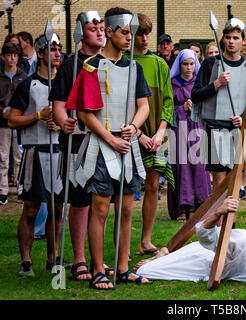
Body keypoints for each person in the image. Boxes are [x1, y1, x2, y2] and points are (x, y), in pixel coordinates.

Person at [66, 7, 152, 289]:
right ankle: (98, 269)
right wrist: (110, 138)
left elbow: (144, 106)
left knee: (127, 209)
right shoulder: (91, 66)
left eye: (132, 33)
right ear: (111, 31)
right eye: (125, 32)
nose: (130, 38)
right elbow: (85, 113)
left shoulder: (135, 67)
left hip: (127, 143)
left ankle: (124, 267)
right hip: (102, 144)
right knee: (100, 209)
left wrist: (135, 127)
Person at [50, 11, 110, 281]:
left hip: (106, 138)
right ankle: (79, 259)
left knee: (101, 200)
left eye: (101, 27)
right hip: (77, 140)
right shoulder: (71, 65)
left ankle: (98, 257)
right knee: (80, 199)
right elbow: (59, 105)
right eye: (92, 27)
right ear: (81, 33)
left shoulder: (110, 62)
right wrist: (64, 123)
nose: (99, 31)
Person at [8, 34, 66, 277]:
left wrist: (61, 124)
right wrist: (40, 116)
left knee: (57, 209)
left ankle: (54, 259)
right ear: (40, 53)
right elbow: (12, 120)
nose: (56, 53)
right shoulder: (27, 85)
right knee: (31, 209)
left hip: (58, 153)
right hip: (35, 152)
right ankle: (26, 261)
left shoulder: (65, 86)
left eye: (59, 49)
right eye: (52, 49)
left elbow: (73, 118)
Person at [191, 18, 246, 197]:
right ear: (223, 39)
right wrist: (216, 84)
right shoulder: (210, 63)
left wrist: (243, 117)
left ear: (244, 40)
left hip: (238, 128)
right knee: (219, 181)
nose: (231, 41)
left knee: (236, 179)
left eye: (235, 37)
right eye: (228, 37)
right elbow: (195, 95)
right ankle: (218, 224)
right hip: (215, 126)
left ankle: (230, 224)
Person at [132, 12, 175, 255]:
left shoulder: (159, 64)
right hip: (129, 133)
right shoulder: (124, 63)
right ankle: (122, 245)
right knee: (123, 191)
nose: (145, 38)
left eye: (148, 33)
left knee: (153, 185)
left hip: (157, 135)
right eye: (140, 33)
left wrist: (160, 132)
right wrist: (137, 134)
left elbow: (168, 102)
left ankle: (145, 240)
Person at [167, 49, 212, 222]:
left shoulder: (199, 83)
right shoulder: (172, 84)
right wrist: (181, 109)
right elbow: (168, 108)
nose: (188, 67)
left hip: (197, 128)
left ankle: (198, 206)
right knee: (181, 165)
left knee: (198, 165)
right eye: (185, 64)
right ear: (180, 65)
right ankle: (182, 207)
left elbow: (208, 105)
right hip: (179, 129)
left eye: (191, 64)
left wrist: (196, 108)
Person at [0, 42, 27, 205]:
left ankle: (21, 188)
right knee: (2, 157)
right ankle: (2, 190)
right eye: (9, 55)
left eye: (15, 55)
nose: (12, 59)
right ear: (3, 57)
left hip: (18, 123)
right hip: (2, 123)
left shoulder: (23, 77)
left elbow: (27, 99)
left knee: (20, 157)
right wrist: (2, 110)